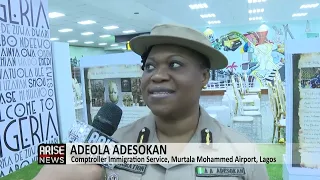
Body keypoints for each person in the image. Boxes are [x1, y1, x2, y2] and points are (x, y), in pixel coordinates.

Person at [34, 24, 269, 180]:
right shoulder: (113, 146)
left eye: (175, 64)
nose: (157, 75)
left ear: (204, 76)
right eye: (149, 66)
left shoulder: (241, 151)